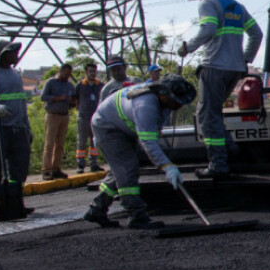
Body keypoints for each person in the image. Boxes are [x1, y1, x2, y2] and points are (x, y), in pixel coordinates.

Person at [177, 0, 262, 179]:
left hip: (214, 66)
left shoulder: (208, 2)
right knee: (213, 114)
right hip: (234, 69)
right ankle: (229, 148)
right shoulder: (236, 6)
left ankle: (218, 164)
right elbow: (257, 33)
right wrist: (246, 59)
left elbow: (208, 28)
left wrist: (188, 47)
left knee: (207, 117)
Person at [83, 75, 196, 229]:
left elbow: (153, 133)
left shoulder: (164, 103)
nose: (178, 105)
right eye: (176, 100)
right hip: (107, 128)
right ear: (164, 93)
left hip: (121, 128)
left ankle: (97, 209)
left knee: (120, 171)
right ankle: (137, 215)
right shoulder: (145, 105)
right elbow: (148, 142)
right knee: (128, 168)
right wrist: (166, 166)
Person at [0, 40, 32, 217]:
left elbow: (21, 101)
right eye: (12, 52)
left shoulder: (15, 74)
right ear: (2, 55)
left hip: (18, 127)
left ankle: (15, 201)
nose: (16, 55)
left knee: (19, 165)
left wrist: (27, 127)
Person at [39, 63, 74, 180]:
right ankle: (46, 170)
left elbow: (74, 98)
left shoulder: (69, 85)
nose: (67, 76)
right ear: (61, 71)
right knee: (49, 143)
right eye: (66, 74)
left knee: (60, 144)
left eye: (69, 74)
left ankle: (56, 168)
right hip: (52, 116)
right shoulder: (51, 82)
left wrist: (72, 101)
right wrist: (58, 98)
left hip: (64, 116)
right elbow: (43, 97)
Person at [73, 62, 103, 173]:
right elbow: (75, 100)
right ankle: (80, 165)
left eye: (94, 71)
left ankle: (93, 164)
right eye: (90, 71)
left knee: (94, 142)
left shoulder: (100, 85)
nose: (92, 73)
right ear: (86, 72)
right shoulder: (80, 85)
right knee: (81, 141)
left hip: (95, 117)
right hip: (83, 117)